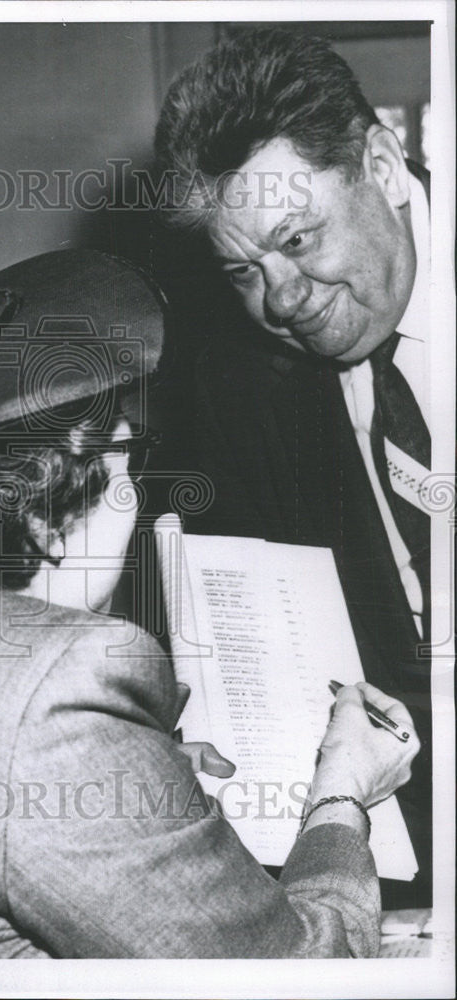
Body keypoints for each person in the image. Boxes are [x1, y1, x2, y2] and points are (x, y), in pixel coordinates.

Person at [0, 249, 417, 960]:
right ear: (43, 520)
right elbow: (297, 975)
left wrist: (127, 773)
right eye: (132, 463)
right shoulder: (59, 693)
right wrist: (341, 792)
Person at [154, 27, 433, 906]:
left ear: (383, 167)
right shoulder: (231, 376)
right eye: (243, 269)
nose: (279, 298)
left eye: (301, 240)